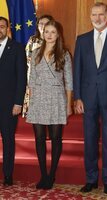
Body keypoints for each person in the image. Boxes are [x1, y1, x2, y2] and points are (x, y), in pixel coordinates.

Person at [73, 2, 107, 195]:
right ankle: (91, 179)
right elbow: (77, 70)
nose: (97, 18)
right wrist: (77, 97)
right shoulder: (81, 40)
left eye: (101, 14)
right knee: (89, 139)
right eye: (94, 15)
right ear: (90, 17)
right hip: (87, 98)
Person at [26, 20, 73, 189]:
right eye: (47, 31)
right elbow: (31, 80)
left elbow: (69, 81)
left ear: (58, 34)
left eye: (53, 32)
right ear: (43, 33)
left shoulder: (64, 53)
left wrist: (68, 104)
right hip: (38, 98)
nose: (49, 35)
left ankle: (52, 174)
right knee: (39, 138)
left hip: (56, 98)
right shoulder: (36, 53)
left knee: (55, 138)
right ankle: (43, 174)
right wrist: (31, 102)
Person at [0, 16, 27, 186]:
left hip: (8, 104)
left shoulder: (17, 48)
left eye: (2, 26)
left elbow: (21, 78)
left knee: (8, 139)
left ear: (8, 28)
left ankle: (8, 175)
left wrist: (18, 102)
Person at [22, 15, 54, 117]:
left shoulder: (55, 41)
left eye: (46, 24)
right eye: (41, 24)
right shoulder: (32, 40)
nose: (43, 26)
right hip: (34, 78)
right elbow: (27, 59)